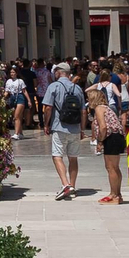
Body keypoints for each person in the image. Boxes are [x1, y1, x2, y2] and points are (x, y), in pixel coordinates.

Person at [44, 62, 85, 200]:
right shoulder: (77, 88)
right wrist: (82, 129)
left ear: (59, 72)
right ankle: (72, 186)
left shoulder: (53, 86)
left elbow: (48, 108)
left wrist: (46, 124)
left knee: (57, 155)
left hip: (59, 126)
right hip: (75, 127)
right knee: (73, 158)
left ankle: (65, 184)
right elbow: (83, 111)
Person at [90, 87, 124, 204]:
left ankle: (114, 196)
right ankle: (116, 194)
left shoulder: (99, 109)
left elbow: (103, 127)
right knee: (115, 168)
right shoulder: (107, 108)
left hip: (111, 138)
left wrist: (99, 142)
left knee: (111, 168)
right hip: (117, 137)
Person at [6, 65, 29, 139]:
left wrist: (29, 100)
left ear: (16, 73)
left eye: (13, 72)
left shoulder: (20, 81)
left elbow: (24, 91)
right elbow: (7, 91)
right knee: (18, 117)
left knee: (16, 117)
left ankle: (16, 133)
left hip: (19, 97)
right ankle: (20, 133)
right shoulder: (8, 81)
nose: (12, 74)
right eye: (11, 72)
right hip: (12, 98)